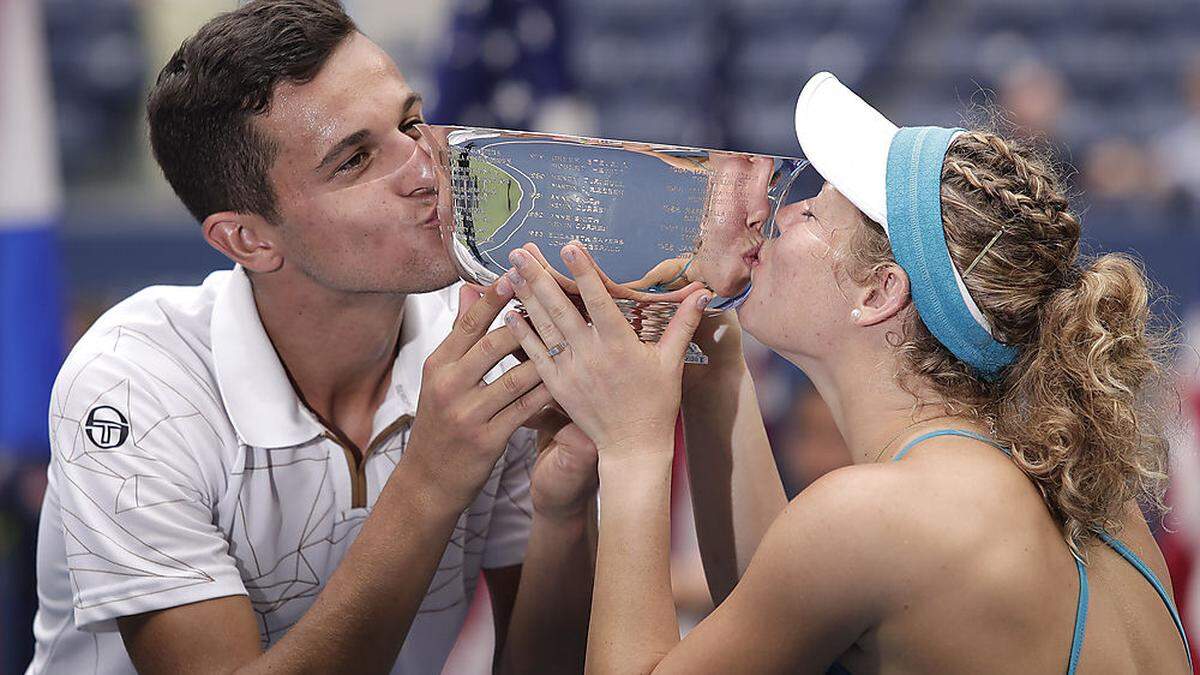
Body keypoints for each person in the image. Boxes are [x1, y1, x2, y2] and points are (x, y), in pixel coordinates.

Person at [500, 72, 1193, 672]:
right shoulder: (1086, 496)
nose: (783, 210)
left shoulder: (872, 514)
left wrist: (632, 446)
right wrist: (714, 370)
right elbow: (782, 617)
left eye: (815, 207)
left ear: (879, 294)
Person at [27, 2, 596, 673]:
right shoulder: (131, 379)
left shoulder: (490, 335)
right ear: (247, 238)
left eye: (411, 122)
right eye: (355, 158)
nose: (425, 169)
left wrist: (563, 513)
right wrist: (431, 479)